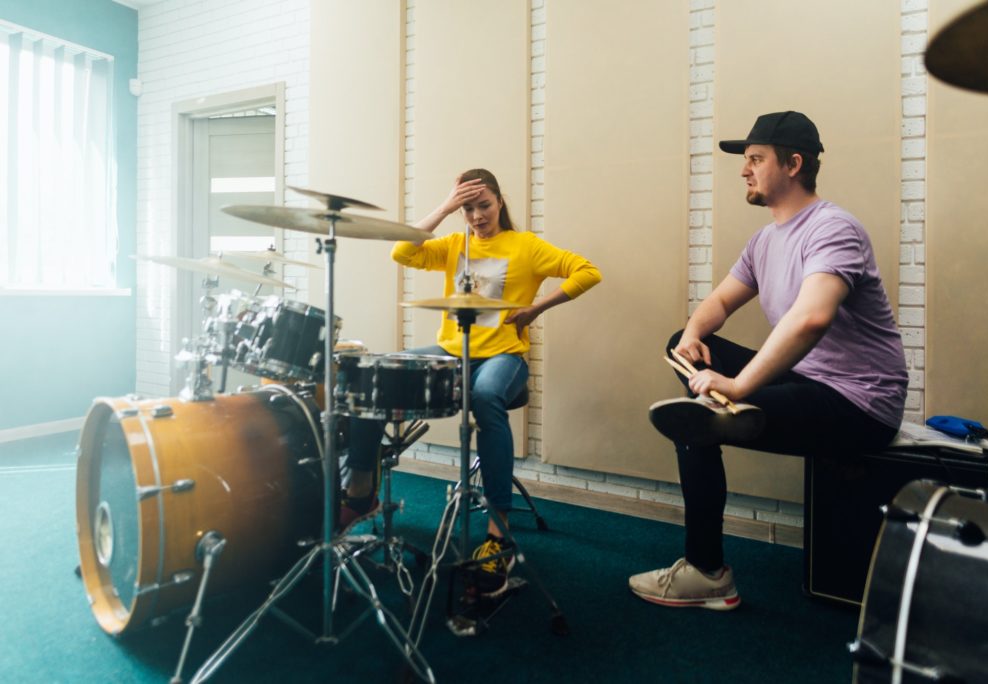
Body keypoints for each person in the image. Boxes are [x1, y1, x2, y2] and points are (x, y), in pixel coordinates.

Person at [629, 111, 907, 610]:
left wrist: (737, 388)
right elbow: (717, 305)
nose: (744, 170)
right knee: (680, 341)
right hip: (807, 380)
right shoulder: (764, 240)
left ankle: (707, 572)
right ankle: (725, 416)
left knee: (693, 423)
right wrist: (693, 335)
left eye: (756, 159)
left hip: (858, 402)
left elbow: (810, 320)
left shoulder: (834, 228)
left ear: (794, 164)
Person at [340, 168, 602, 596]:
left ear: (500, 201)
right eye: (468, 208)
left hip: (504, 356)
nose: (477, 216)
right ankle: (361, 490)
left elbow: (587, 271)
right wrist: (444, 208)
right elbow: (402, 254)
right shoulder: (453, 245)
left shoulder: (526, 246)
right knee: (378, 373)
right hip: (451, 351)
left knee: (484, 396)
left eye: (484, 205)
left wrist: (537, 308)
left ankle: (498, 531)